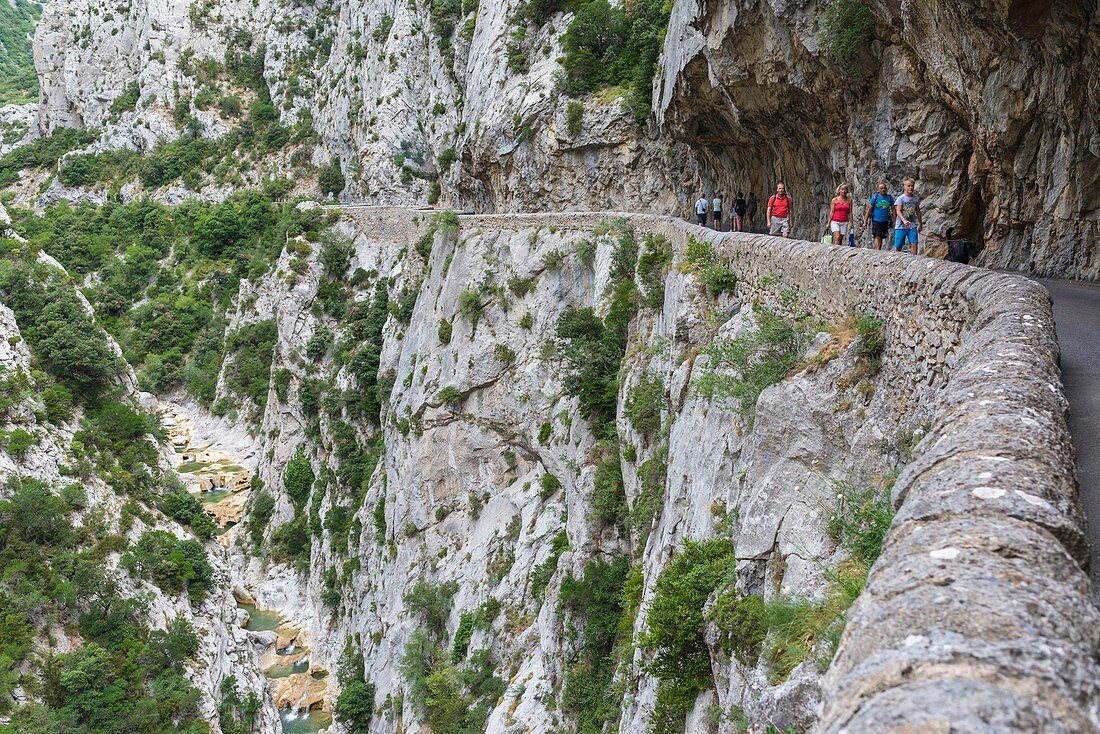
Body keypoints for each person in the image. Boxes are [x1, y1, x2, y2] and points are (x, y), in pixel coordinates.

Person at [893, 178, 922, 254]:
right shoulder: (901, 198)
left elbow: (918, 211)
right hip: (901, 226)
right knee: (898, 245)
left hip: (912, 225)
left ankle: (914, 259)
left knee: (914, 242)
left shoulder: (915, 198)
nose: (911, 188)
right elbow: (898, 211)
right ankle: (897, 258)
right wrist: (904, 220)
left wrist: (920, 224)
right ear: (904, 187)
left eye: (912, 186)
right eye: (908, 186)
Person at [863, 182, 894, 250]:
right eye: (881, 188)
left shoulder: (889, 198)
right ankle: (877, 249)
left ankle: (879, 249)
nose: (883, 190)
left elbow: (893, 209)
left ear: (886, 189)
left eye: (884, 188)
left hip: (885, 220)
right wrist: (865, 221)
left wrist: (894, 219)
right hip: (876, 220)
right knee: (877, 235)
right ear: (878, 189)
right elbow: (869, 209)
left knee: (882, 236)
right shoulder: (875, 197)